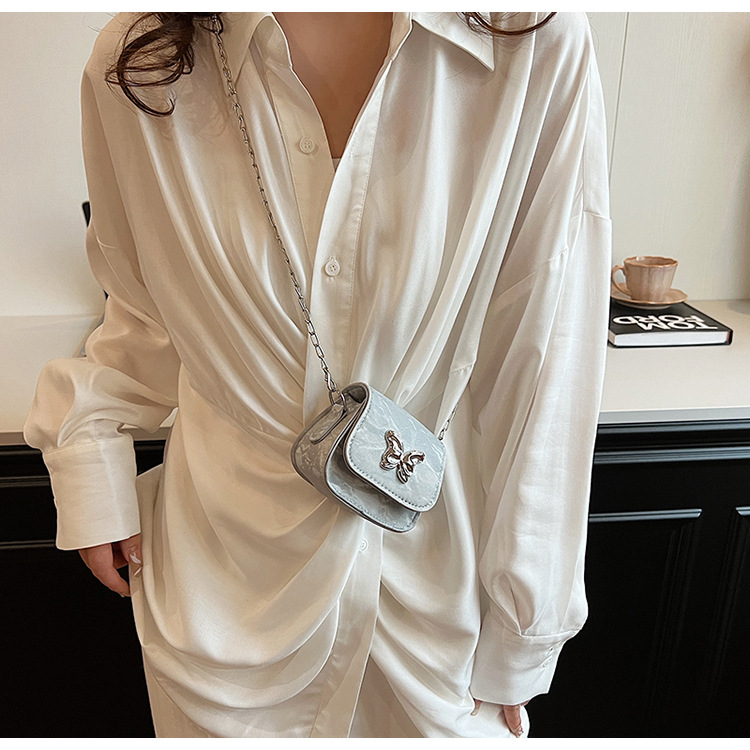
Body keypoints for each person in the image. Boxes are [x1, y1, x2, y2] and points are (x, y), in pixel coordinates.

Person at [24, 11, 611, 738]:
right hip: (222, 603)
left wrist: (526, 627)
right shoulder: (140, 62)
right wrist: (90, 458)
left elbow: (546, 348)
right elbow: (145, 312)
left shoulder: (529, 38)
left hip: (435, 613)